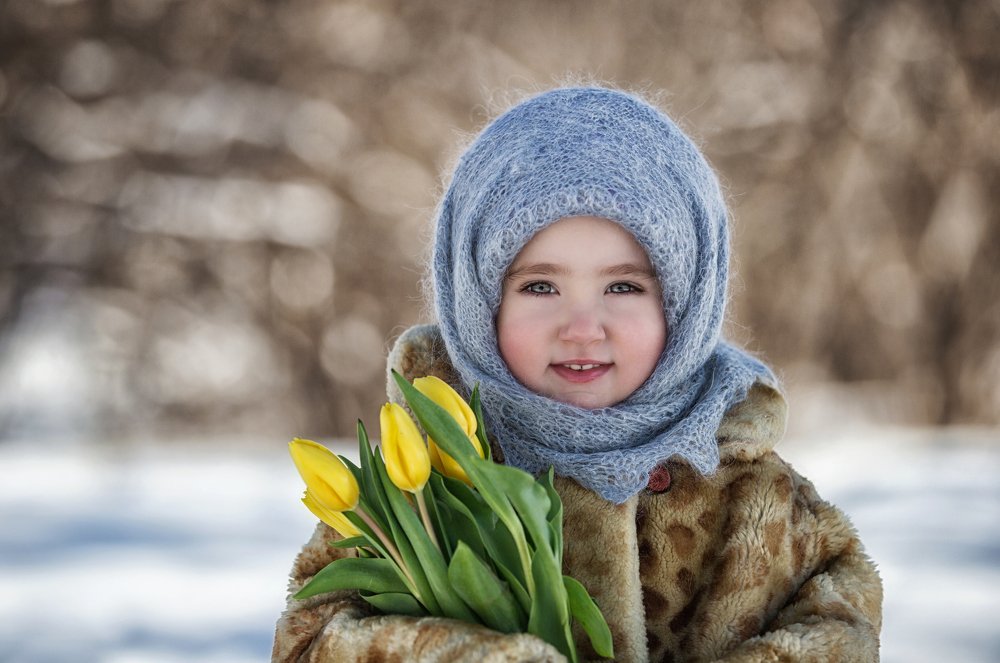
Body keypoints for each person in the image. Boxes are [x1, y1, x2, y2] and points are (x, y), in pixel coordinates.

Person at [272, 86, 883, 662]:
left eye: (624, 285)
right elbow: (312, 636)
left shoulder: (754, 493)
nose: (583, 327)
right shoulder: (415, 496)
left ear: (685, 303)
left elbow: (840, 620)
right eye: (540, 285)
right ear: (480, 304)